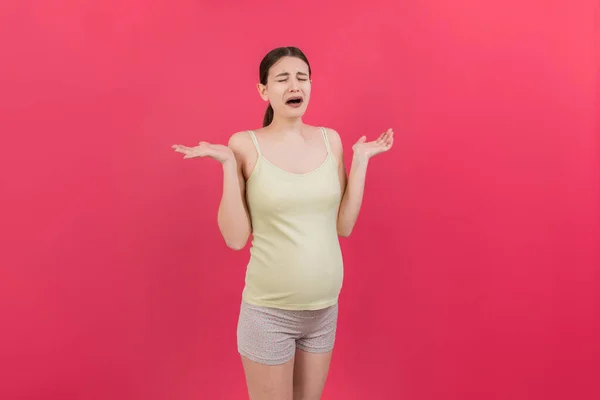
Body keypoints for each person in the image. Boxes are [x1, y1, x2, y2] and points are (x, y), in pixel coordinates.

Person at [172, 46, 394, 400]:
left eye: (302, 77)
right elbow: (235, 238)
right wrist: (228, 166)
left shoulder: (330, 140)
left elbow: (344, 226)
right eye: (283, 78)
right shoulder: (245, 144)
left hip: (323, 310)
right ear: (264, 90)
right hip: (269, 314)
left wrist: (362, 159)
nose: (295, 85)